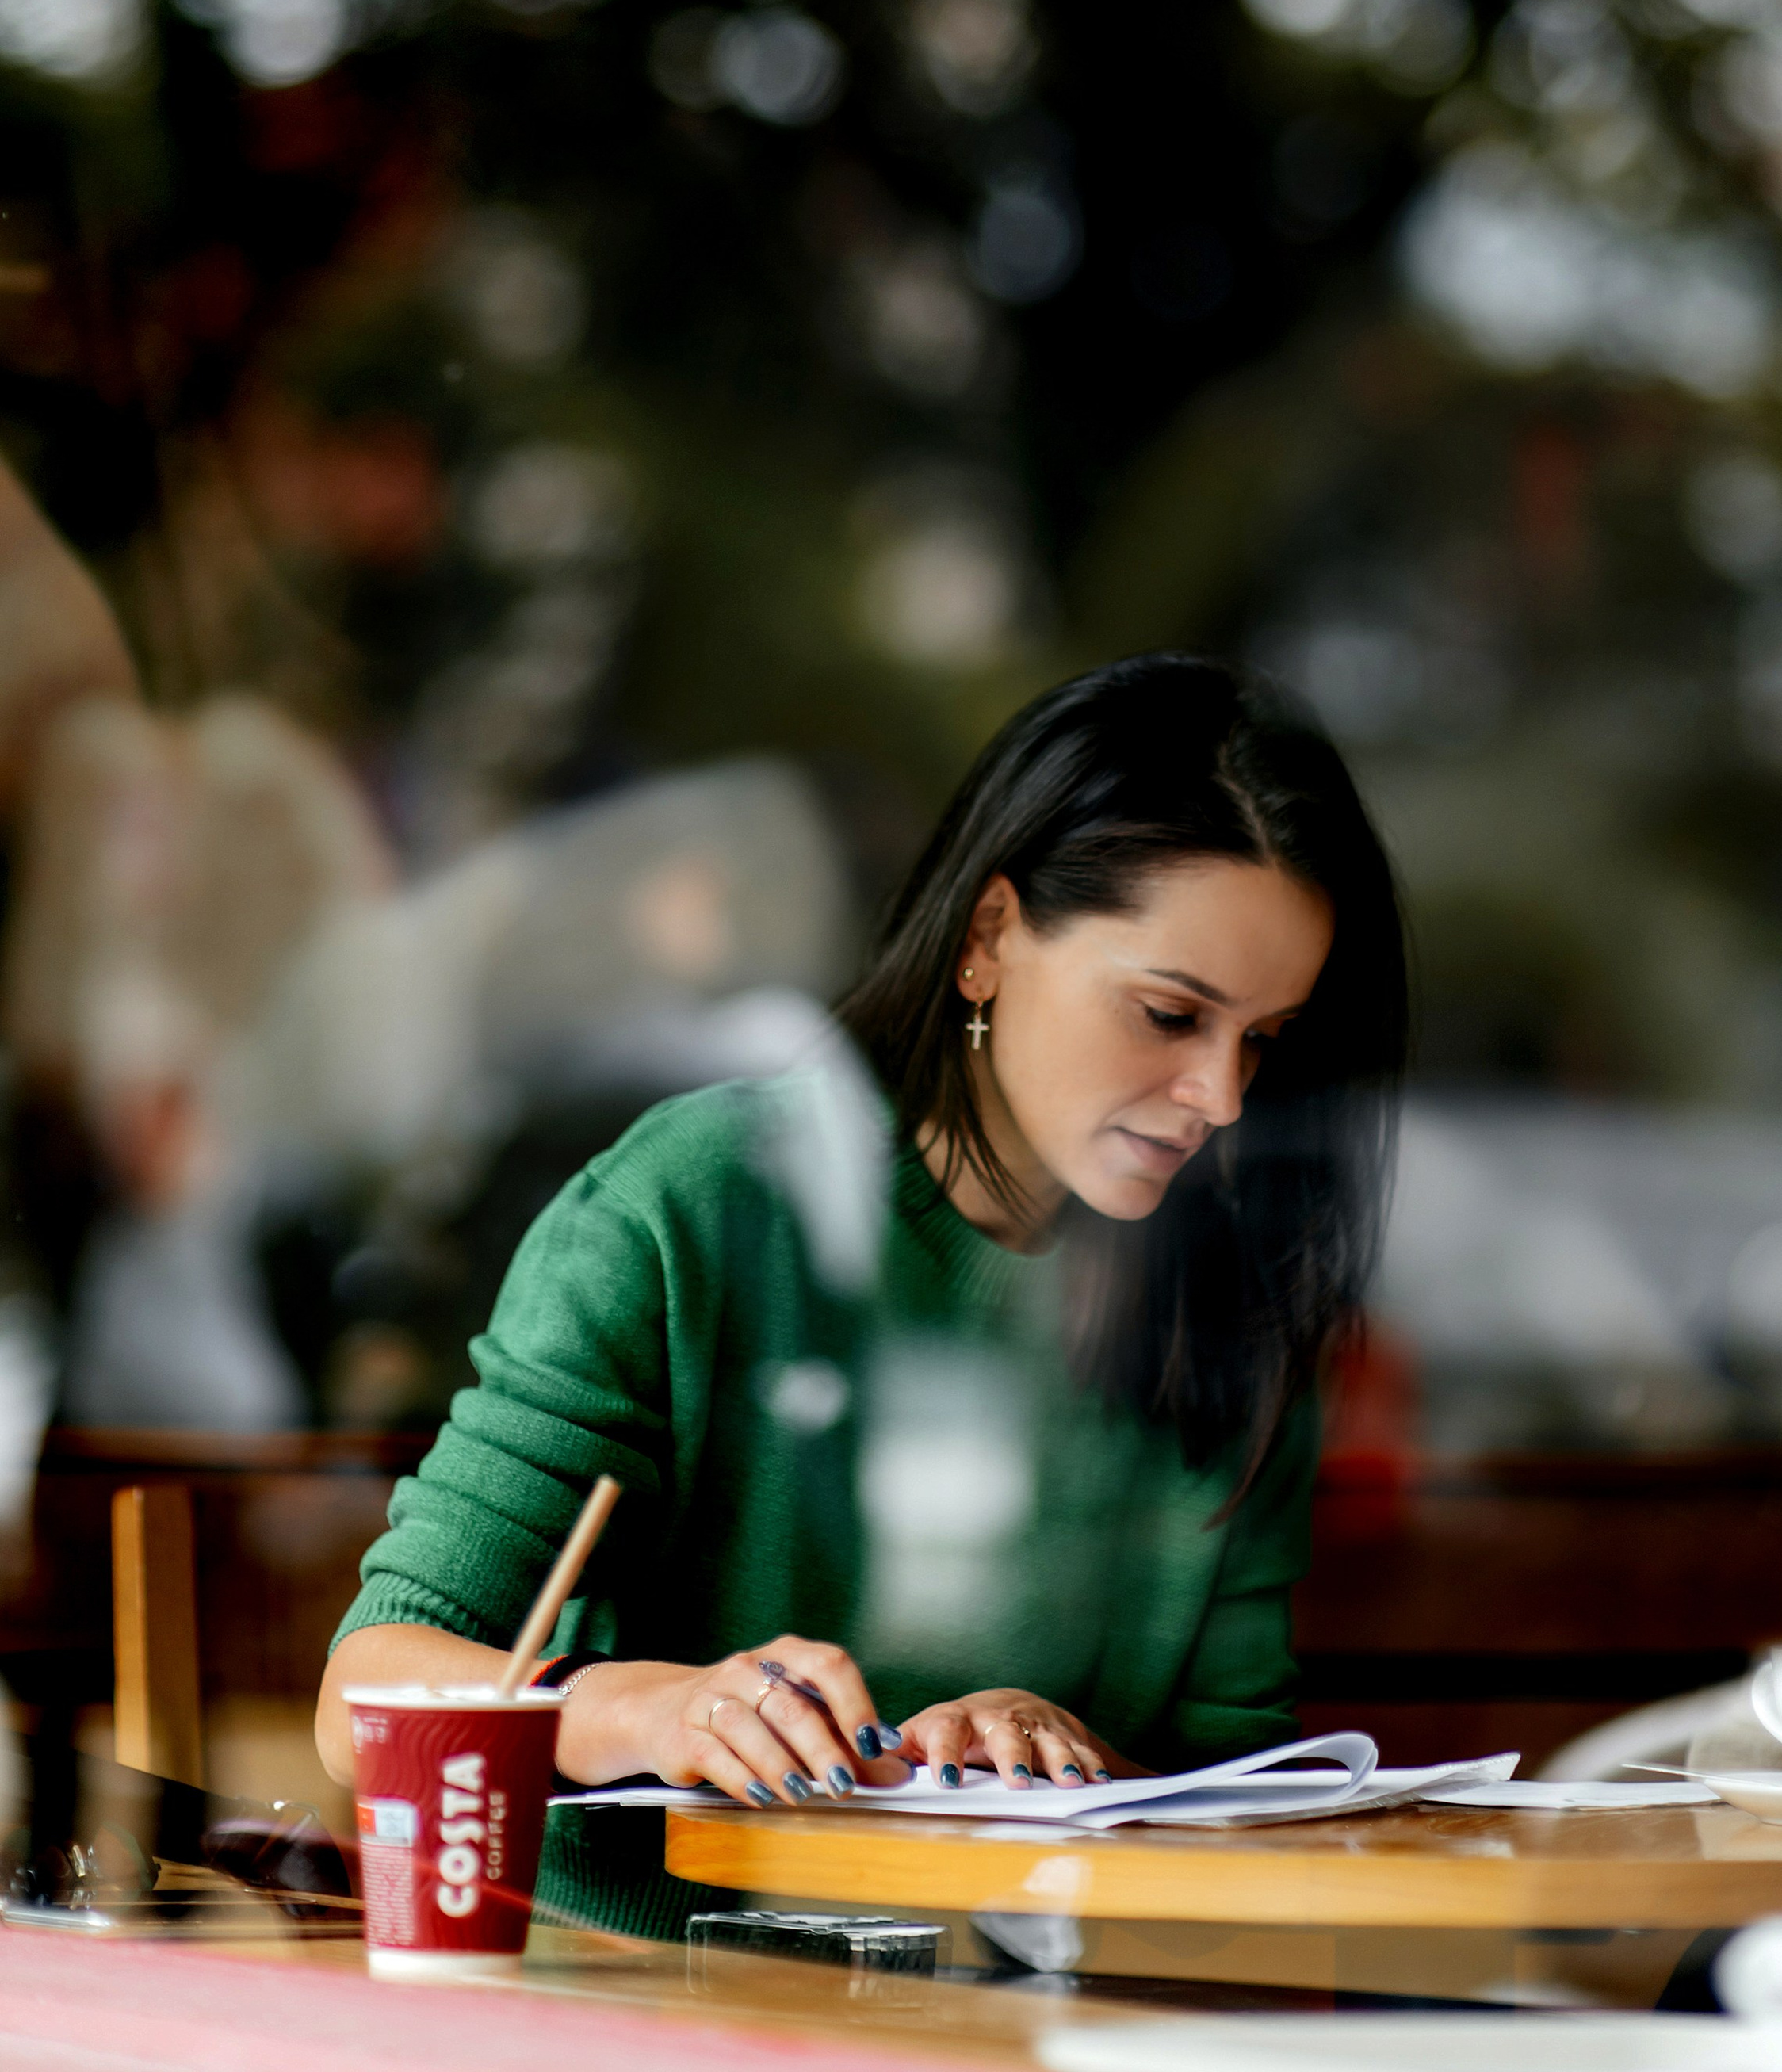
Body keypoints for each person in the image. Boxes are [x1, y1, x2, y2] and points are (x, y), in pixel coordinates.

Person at [315, 654, 1407, 1937]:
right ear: (988, 941)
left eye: (1263, 1039)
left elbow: (1235, 1796)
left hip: (1010, 2017)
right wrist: (652, 1708)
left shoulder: (1230, 1311)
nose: (1222, 1097)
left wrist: (1058, 1757)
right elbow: (364, 1695)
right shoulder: (697, 1205)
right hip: (635, 1998)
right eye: (1171, 1014)